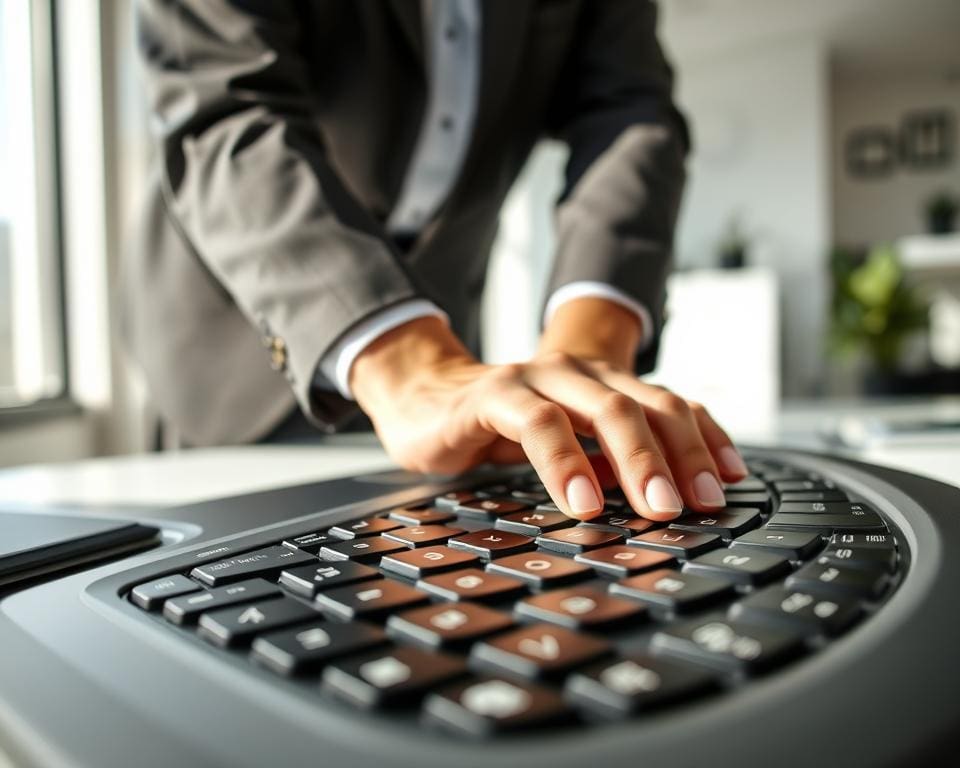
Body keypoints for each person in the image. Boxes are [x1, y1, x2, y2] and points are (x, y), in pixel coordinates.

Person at [124, 0, 748, 524]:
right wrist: (403, 361)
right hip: (235, 348)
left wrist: (591, 343)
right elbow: (225, 109)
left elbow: (630, 112)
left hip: (454, 369)